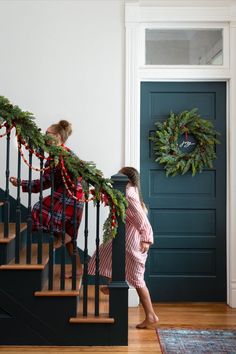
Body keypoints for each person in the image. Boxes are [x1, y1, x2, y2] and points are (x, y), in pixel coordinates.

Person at [10, 120, 84, 277]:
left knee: (40, 209)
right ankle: (78, 267)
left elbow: (76, 175)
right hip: (68, 197)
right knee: (66, 236)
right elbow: (44, 182)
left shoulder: (66, 155)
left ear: (57, 136)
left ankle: (64, 238)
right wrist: (21, 183)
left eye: (47, 134)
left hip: (71, 199)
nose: (44, 137)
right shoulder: (54, 157)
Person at [88, 166, 159, 329]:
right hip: (123, 237)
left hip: (132, 241)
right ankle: (113, 284)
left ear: (126, 179)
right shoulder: (127, 192)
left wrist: (147, 239)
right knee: (105, 253)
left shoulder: (130, 194)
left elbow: (143, 220)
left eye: (119, 174)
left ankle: (151, 315)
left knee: (137, 279)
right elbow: (116, 203)